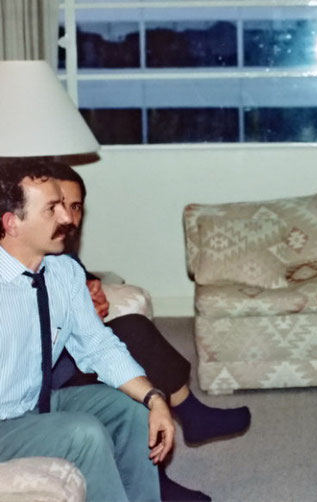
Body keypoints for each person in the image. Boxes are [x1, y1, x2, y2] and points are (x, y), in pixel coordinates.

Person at [51, 165, 252, 501]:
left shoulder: (60, 252)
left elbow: (79, 279)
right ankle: (183, 432)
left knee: (132, 328)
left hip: (71, 355)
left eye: (76, 207)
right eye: (58, 206)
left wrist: (92, 288)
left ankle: (181, 429)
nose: (69, 217)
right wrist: (77, 316)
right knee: (132, 349)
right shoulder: (21, 261)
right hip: (52, 377)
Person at [0, 158, 175, 502]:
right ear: (12, 223)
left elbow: (98, 346)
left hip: (34, 404)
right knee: (84, 434)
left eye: (65, 206)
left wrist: (154, 398)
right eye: (52, 209)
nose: (68, 218)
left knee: (132, 410)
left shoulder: (64, 272)